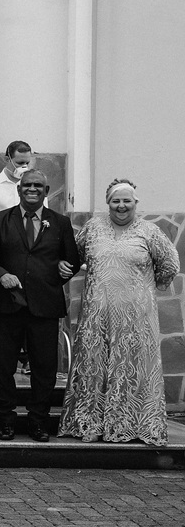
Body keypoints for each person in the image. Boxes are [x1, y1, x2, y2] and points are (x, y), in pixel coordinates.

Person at [59, 179, 180, 446]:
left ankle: (131, 425)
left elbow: (170, 265)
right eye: (116, 201)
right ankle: (90, 424)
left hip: (136, 317)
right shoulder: (92, 228)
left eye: (127, 201)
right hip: (96, 315)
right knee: (94, 367)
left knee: (132, 369)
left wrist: (145, 288)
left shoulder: (150, 231)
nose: (121, 206)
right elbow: (74, 255)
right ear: (108, 203)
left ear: (136, 203)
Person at [0, 169, 81, 442]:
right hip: (7, 305)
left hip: (44, 306)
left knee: (44, 368)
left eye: (38, 185)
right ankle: (6, 421)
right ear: (19, 189)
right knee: (2, 367)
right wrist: (2, 274)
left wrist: (64, 269)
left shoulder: (60, 223)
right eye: (27, 185)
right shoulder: (1, 220)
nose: (32, 189)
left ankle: (38, 422)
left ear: (46, 192)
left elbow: (71, 260)